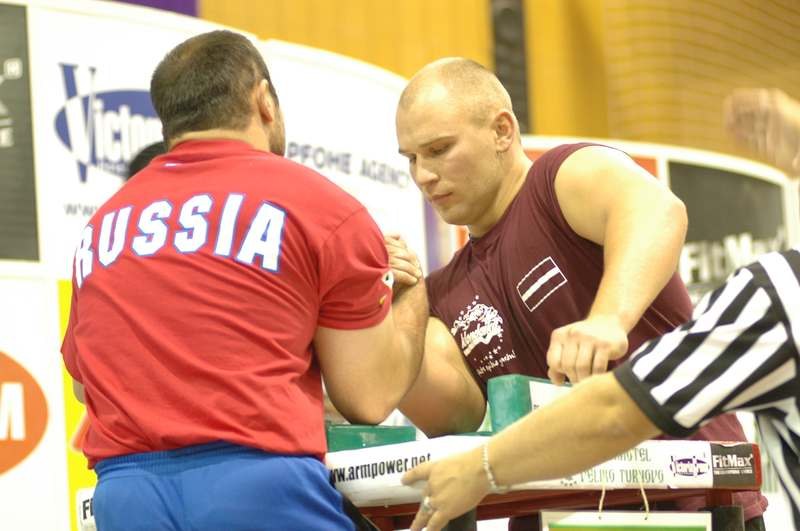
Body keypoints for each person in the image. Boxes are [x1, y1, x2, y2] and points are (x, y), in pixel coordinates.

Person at [61, 30, 427, 531]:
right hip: (258, 489)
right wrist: (410, 297)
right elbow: (368, 397)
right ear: (264, 101)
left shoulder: (100, 226)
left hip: (124, 496)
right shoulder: (322, 207)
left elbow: (85, 387)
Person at [399, 87, 800, 531]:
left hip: (688, 501)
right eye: (411, 159)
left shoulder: (559, 176)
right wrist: (387, 298)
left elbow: (657, 208)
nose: (424, 175)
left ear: (501, 130)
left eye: (438, 150)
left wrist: (610, 317)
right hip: (554, 514)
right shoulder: (441, 290)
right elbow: (452, 415)